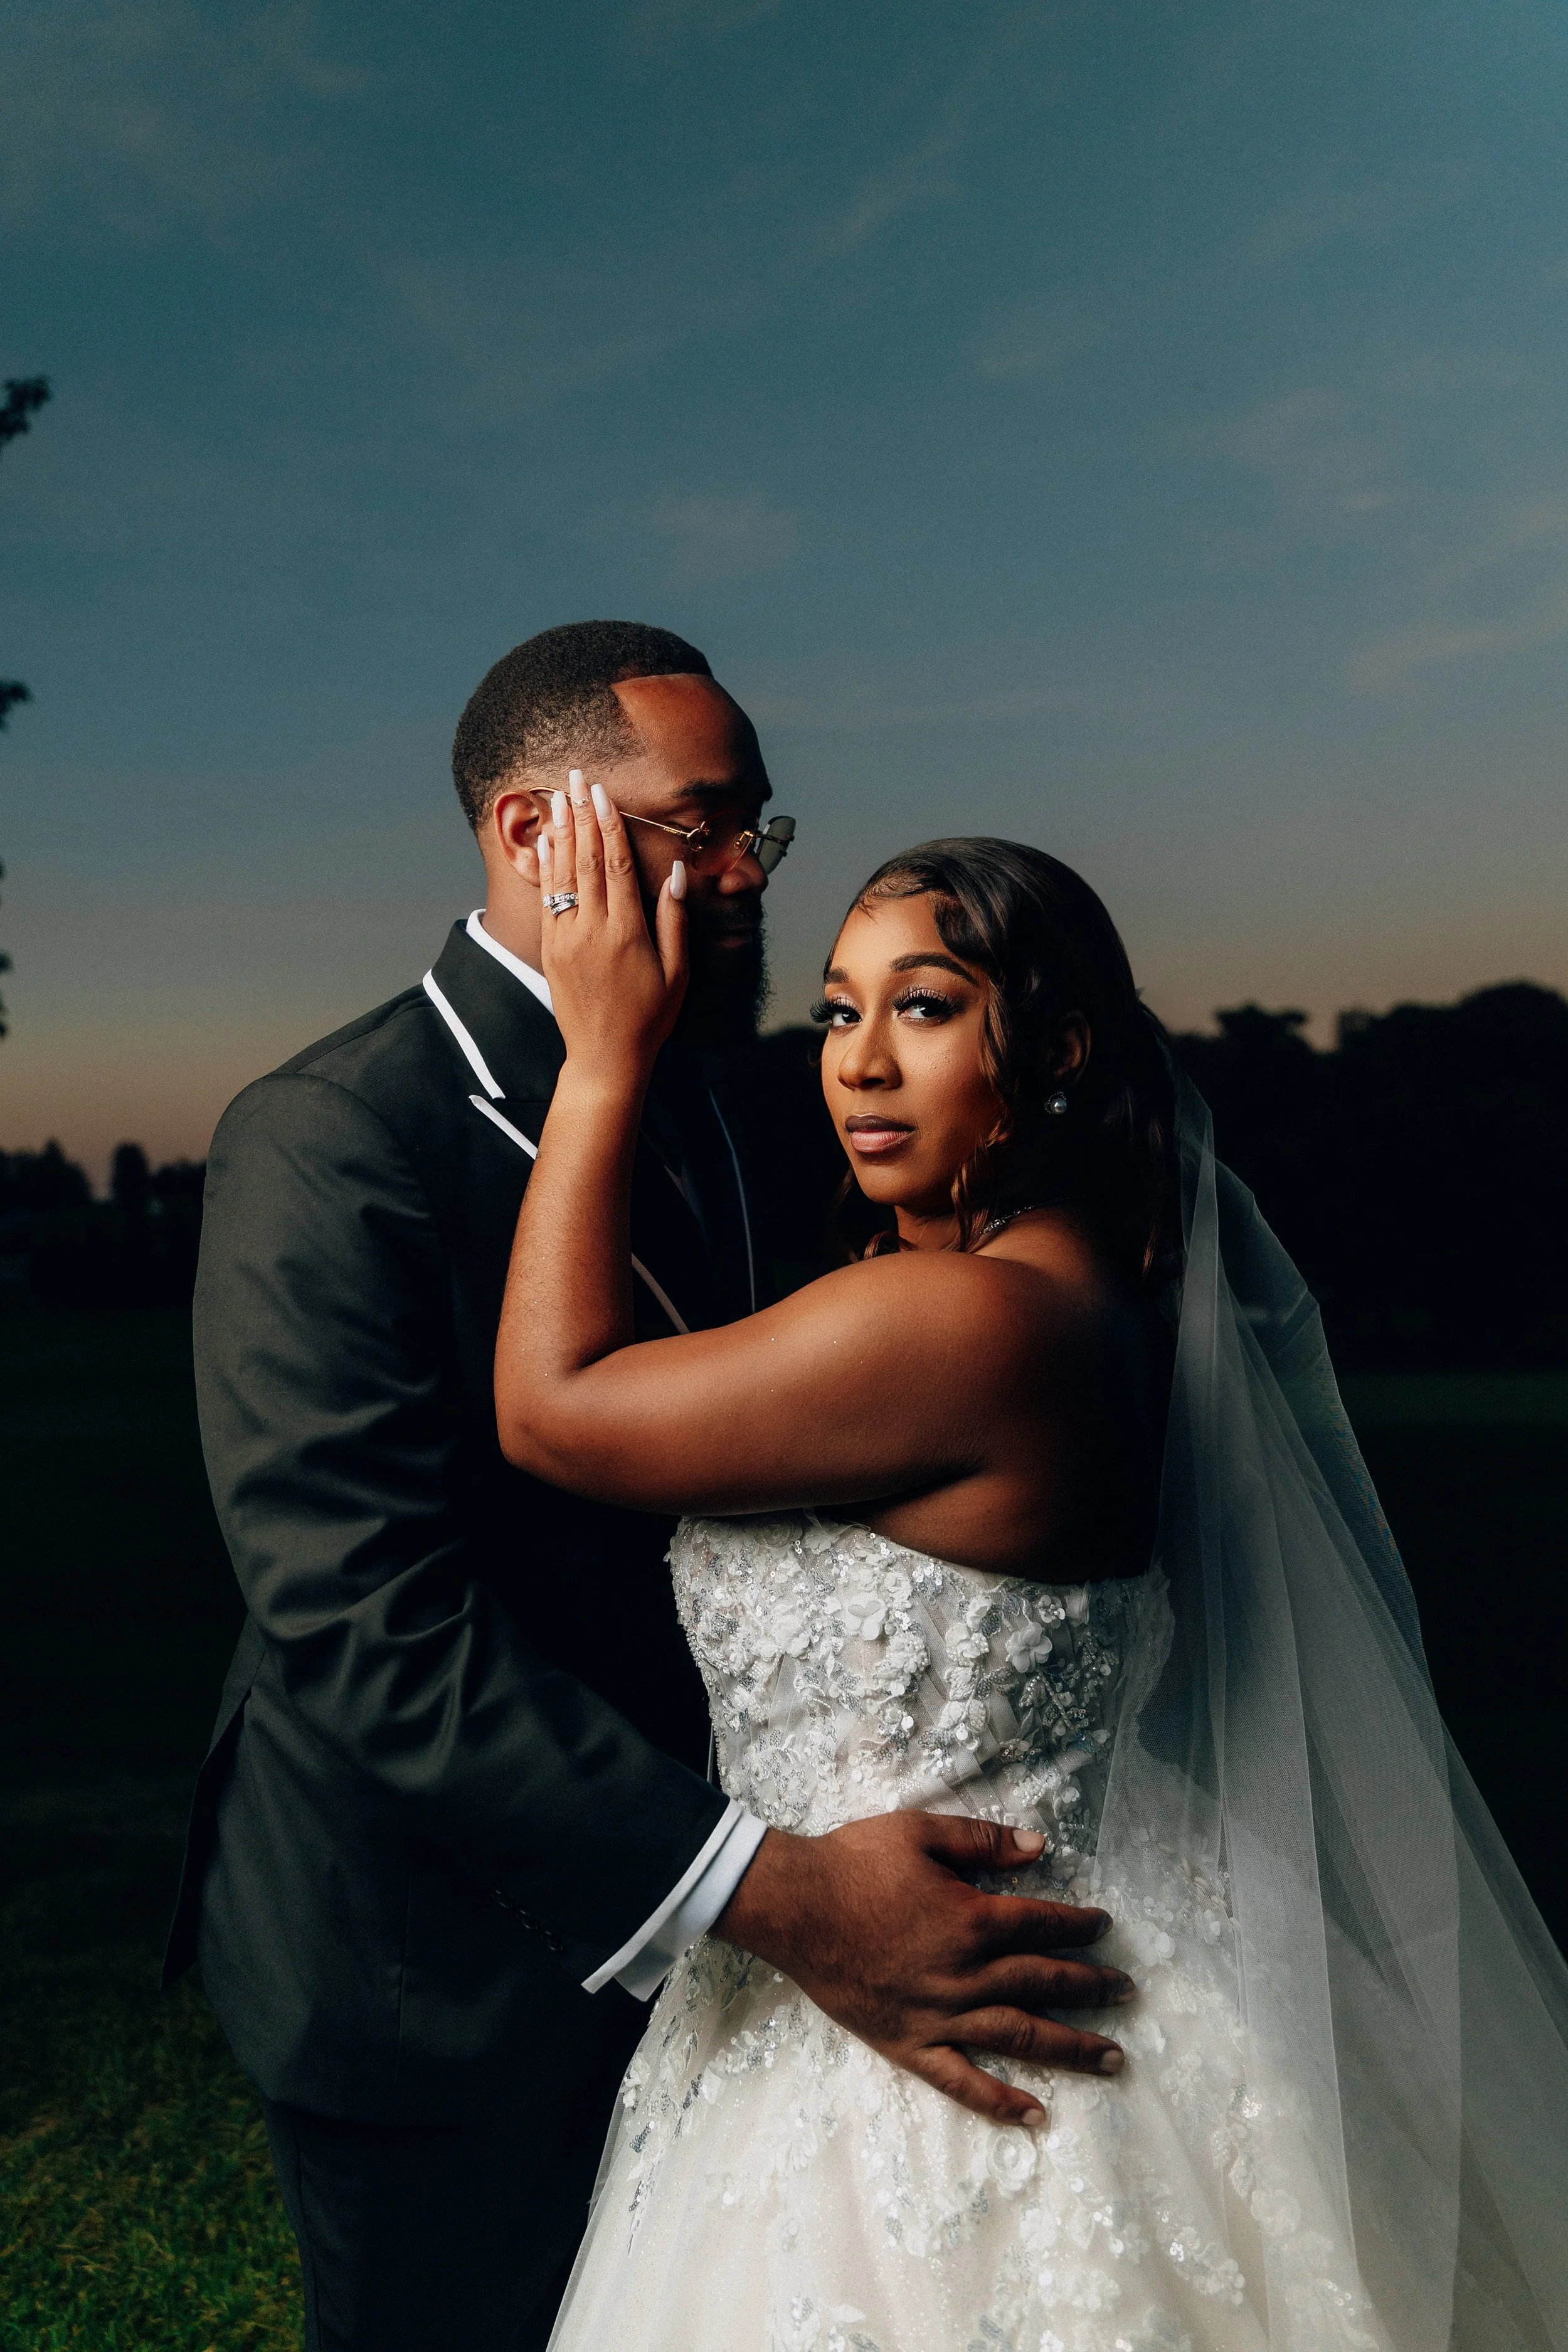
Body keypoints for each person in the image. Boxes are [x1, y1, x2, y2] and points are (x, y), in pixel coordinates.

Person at [494, 789, 1568, 2351]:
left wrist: (600, 1059)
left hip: (950, 2056)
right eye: (838, 1010)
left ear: (1054, 1054)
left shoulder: (970, 1323)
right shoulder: (1013, 1282)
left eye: (924, 1009)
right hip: (916, 1981)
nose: (857, 1060)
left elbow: (552, 1409)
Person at [162, 622, 1128, 2352]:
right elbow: (366, 1617)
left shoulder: (721, 1102)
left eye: (765, 825)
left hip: (734, 1937)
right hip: (435, 1955)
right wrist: (766, 1888)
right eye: (706, 826)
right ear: (540, 835)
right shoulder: (330, 1135)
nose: (753, 873)